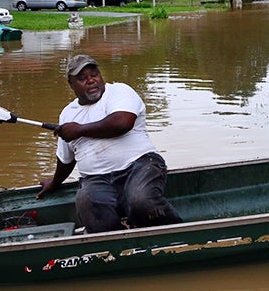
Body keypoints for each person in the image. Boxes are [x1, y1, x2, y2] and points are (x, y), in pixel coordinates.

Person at [37, 54, 183, 233]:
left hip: (139, 167)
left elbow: (122, 123)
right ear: (71, 84)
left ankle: (179, 236)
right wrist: (55, 182)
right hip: (95, 179)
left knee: (141, 201)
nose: (91, 81)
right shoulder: (67, 114)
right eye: (82, 78)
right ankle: (116, 250)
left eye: (95, 75)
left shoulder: (120, 91)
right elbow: (66, 159)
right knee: (88, 205)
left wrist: (79, 130)